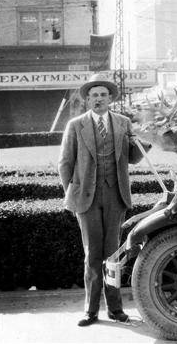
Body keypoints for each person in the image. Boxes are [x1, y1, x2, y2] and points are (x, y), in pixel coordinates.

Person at [58, 75, 149, 327]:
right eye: (94, 95)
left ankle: (115, 309)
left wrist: (146, 139)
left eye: (103, 95)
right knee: (92, 254)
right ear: (87, 100)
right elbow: (65, 163)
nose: (98, 99)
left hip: (115, 196)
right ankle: (90, 310)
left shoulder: (123, 123)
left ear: (110, 99)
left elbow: (133, 157)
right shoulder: (76, 125)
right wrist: (72, 193)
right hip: (86, 199)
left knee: (113, 255)